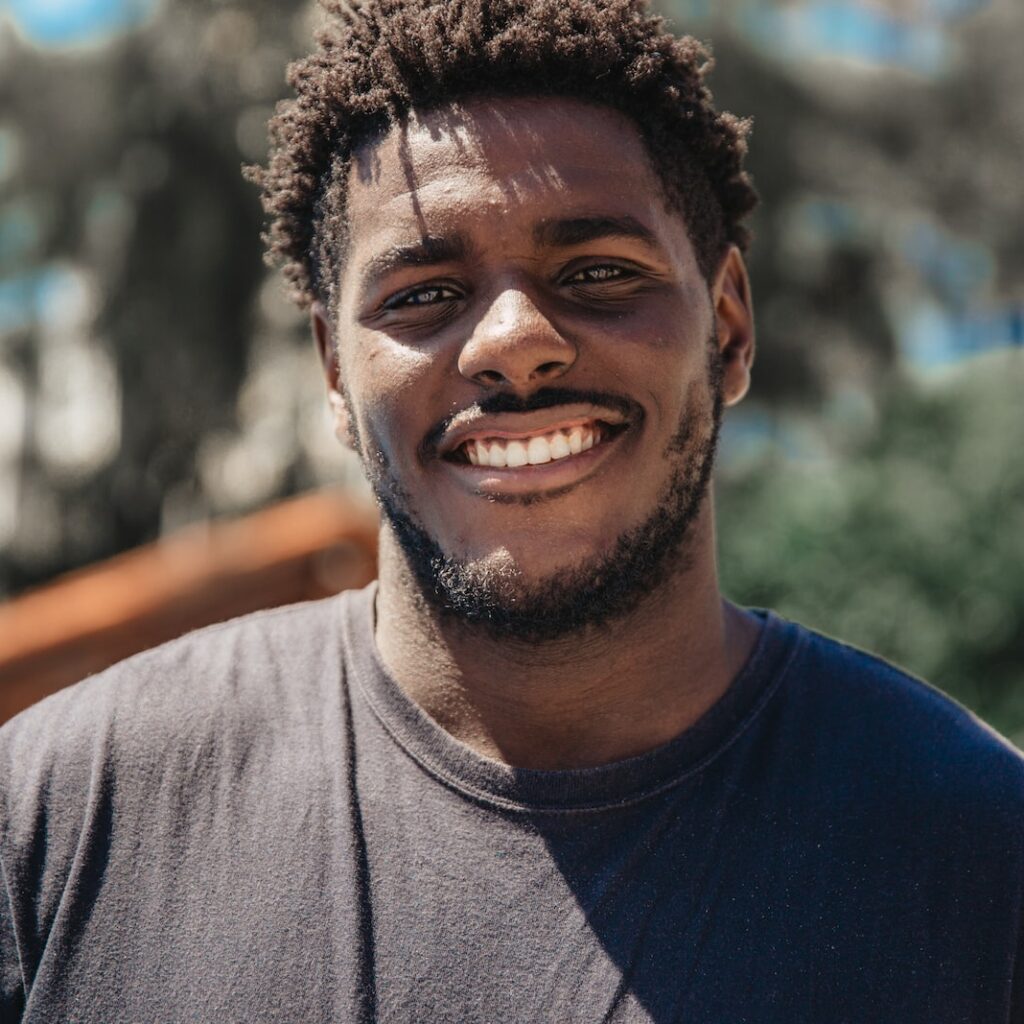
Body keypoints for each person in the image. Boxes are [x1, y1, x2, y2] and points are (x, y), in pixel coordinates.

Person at [1, 0, 1021, 1020]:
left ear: (727, 326)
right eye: (421, 294)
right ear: (332, 371)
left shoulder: (975, 849)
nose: (512, 340)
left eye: (597, 273)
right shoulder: (65, 810)